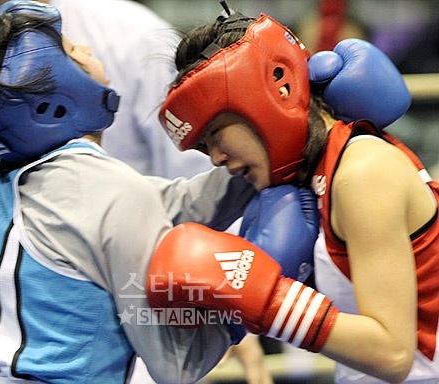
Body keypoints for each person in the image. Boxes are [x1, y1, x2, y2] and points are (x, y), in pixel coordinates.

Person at [0, 1, 260, 383]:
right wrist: (246, 304)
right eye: (70, 50)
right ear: (53, 103)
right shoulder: (110, 193)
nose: (87, 50)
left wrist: (260, 151)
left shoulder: (7, 191)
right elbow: (178, 366)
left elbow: (171, 205)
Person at [145, 5, 439, 384]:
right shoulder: (318, 173)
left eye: (216, 134)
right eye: (203, 145)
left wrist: (269, 302)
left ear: (276, 89)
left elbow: (394, 353)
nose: (215, 158)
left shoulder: (361, 172)